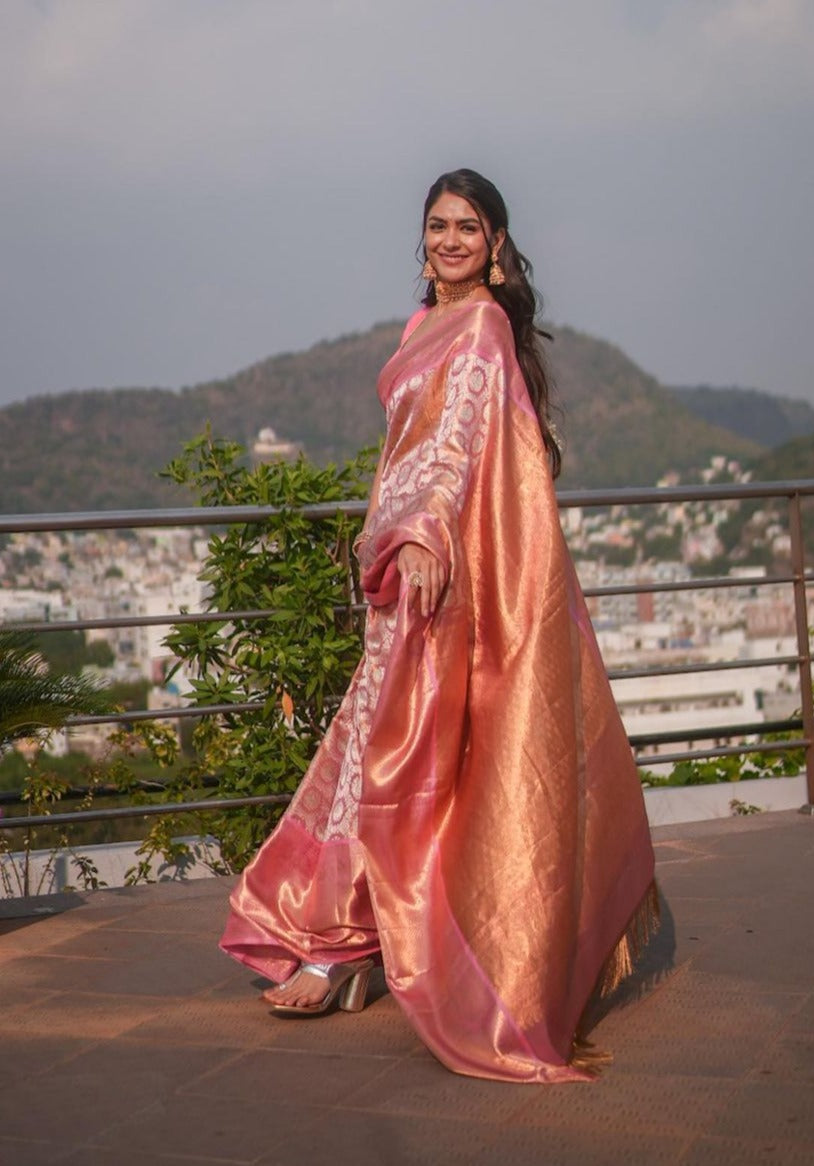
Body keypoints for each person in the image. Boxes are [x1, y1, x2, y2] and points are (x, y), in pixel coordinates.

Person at [220, 168, 658, 1083]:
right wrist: (388, 539)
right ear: (422, 240)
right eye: (437, 225)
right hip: (400, 576)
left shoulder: (486, 329)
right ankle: (343, 941)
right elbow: (403, 452)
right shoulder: (423, 328)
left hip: (450, 575)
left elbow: (458, 444)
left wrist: (422, 536)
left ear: (496, 245)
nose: (450, 240)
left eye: (468, 227)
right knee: (379, 751)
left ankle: (366, 949)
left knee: (419, 756)